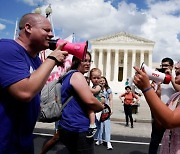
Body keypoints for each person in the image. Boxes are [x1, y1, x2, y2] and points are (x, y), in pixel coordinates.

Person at [0, 13, 68, 153]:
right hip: (4, 142)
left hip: (22, 141)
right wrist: (52, 59)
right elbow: (25, 92)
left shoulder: (36, 60)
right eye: (46, 30)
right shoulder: (6, 48)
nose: (51, 34)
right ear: (28, 28)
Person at [57, 52, 104, 154]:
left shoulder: (69, 74)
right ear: (77, 61)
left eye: (89, 61)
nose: (88, 64)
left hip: (67, 124)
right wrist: (101, 106)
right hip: (78, 127)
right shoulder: (77, 76)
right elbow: (90, 101)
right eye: (84, 60)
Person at [133, 60, 180, 154]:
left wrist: (146, 89)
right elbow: (160, 124)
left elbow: (170, 121)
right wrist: (157, 97)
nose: (176, 67)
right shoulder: (174, 97)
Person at [148, 57, 180, 154]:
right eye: (162, 65)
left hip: (172, 113)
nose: (163, 67)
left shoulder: (174, 78)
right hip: (159, 111)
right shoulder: (158, 78)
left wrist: (171, 77)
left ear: (171, 66)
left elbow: (179, 89)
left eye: (166, 65)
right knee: (155, 139)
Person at [86, 68, 105, 138]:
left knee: (90, 110)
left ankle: (92, 125)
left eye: (98, 78)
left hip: (98, 100)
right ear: (91, 79)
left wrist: (86, 87)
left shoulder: (99, 86)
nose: (96, 79)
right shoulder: (93, 86)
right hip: (97, 100)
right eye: (94, 78)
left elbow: (94, 91)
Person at [95, 76, 113, 150]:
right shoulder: (96, 89)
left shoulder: (108, 89)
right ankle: (99, 139)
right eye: (101, 81)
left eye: (103, 81)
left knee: (107, 125)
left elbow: (111, 99)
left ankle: (108, 141)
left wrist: (111, 108)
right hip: (98, 109)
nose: (102, 82)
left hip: (106, 109)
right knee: (98, 124)